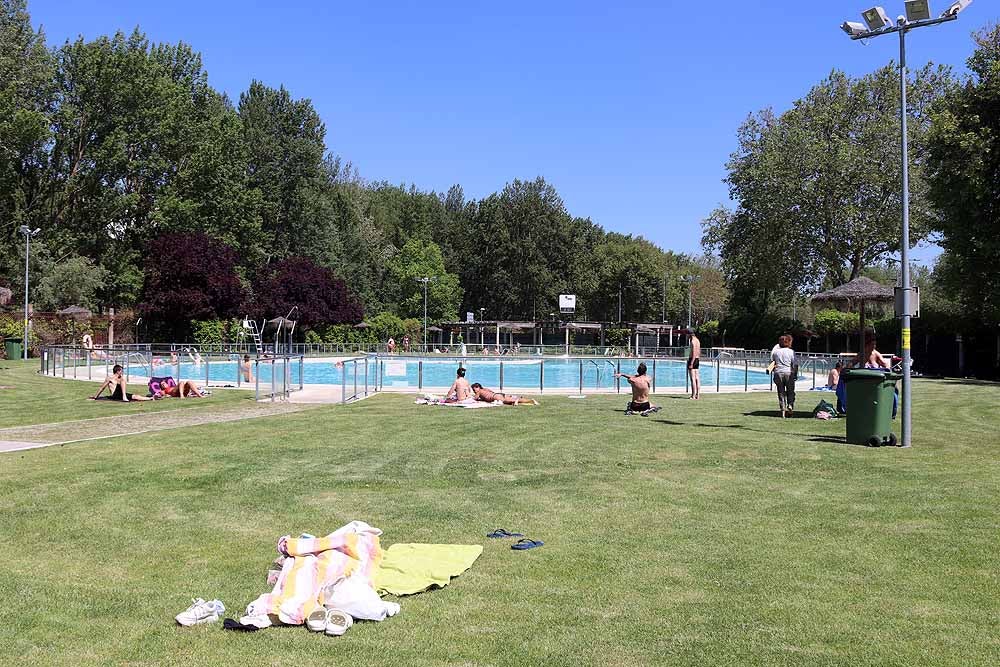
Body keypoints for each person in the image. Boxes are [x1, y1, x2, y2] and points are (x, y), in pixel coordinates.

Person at [771, 334, 797, 418]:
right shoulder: (791, 352)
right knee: (790, 391)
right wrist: (795, 374)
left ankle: (783, 411)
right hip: (788, 372)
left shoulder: (775, 352)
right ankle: (790, 406)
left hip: (778, 372)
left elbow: (773, 363)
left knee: (781, 392)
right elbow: (795, 364)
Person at [470, 382, 538, 405]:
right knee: (510, 400)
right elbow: (490, 393)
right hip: (498, 394)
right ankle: (530, 400)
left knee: (507, 401)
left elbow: (474, 399)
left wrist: (469, 397)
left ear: (477, 387)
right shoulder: (485, 389)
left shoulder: (479, 391)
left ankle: (515, 400)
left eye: (474, 389)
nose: (474, 391)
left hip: (495, 397)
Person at [687, 332, 701, 400]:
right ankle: (698, 395)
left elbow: (694, 352)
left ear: (690, 335)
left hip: (692, 359)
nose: (687, 336)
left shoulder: (693, 341)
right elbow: (698, 352)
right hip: (697, 359)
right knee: (697, 378)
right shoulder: (698, 340)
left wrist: (691, 363)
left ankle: (693, 395)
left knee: (692, 378)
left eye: (687, 335)